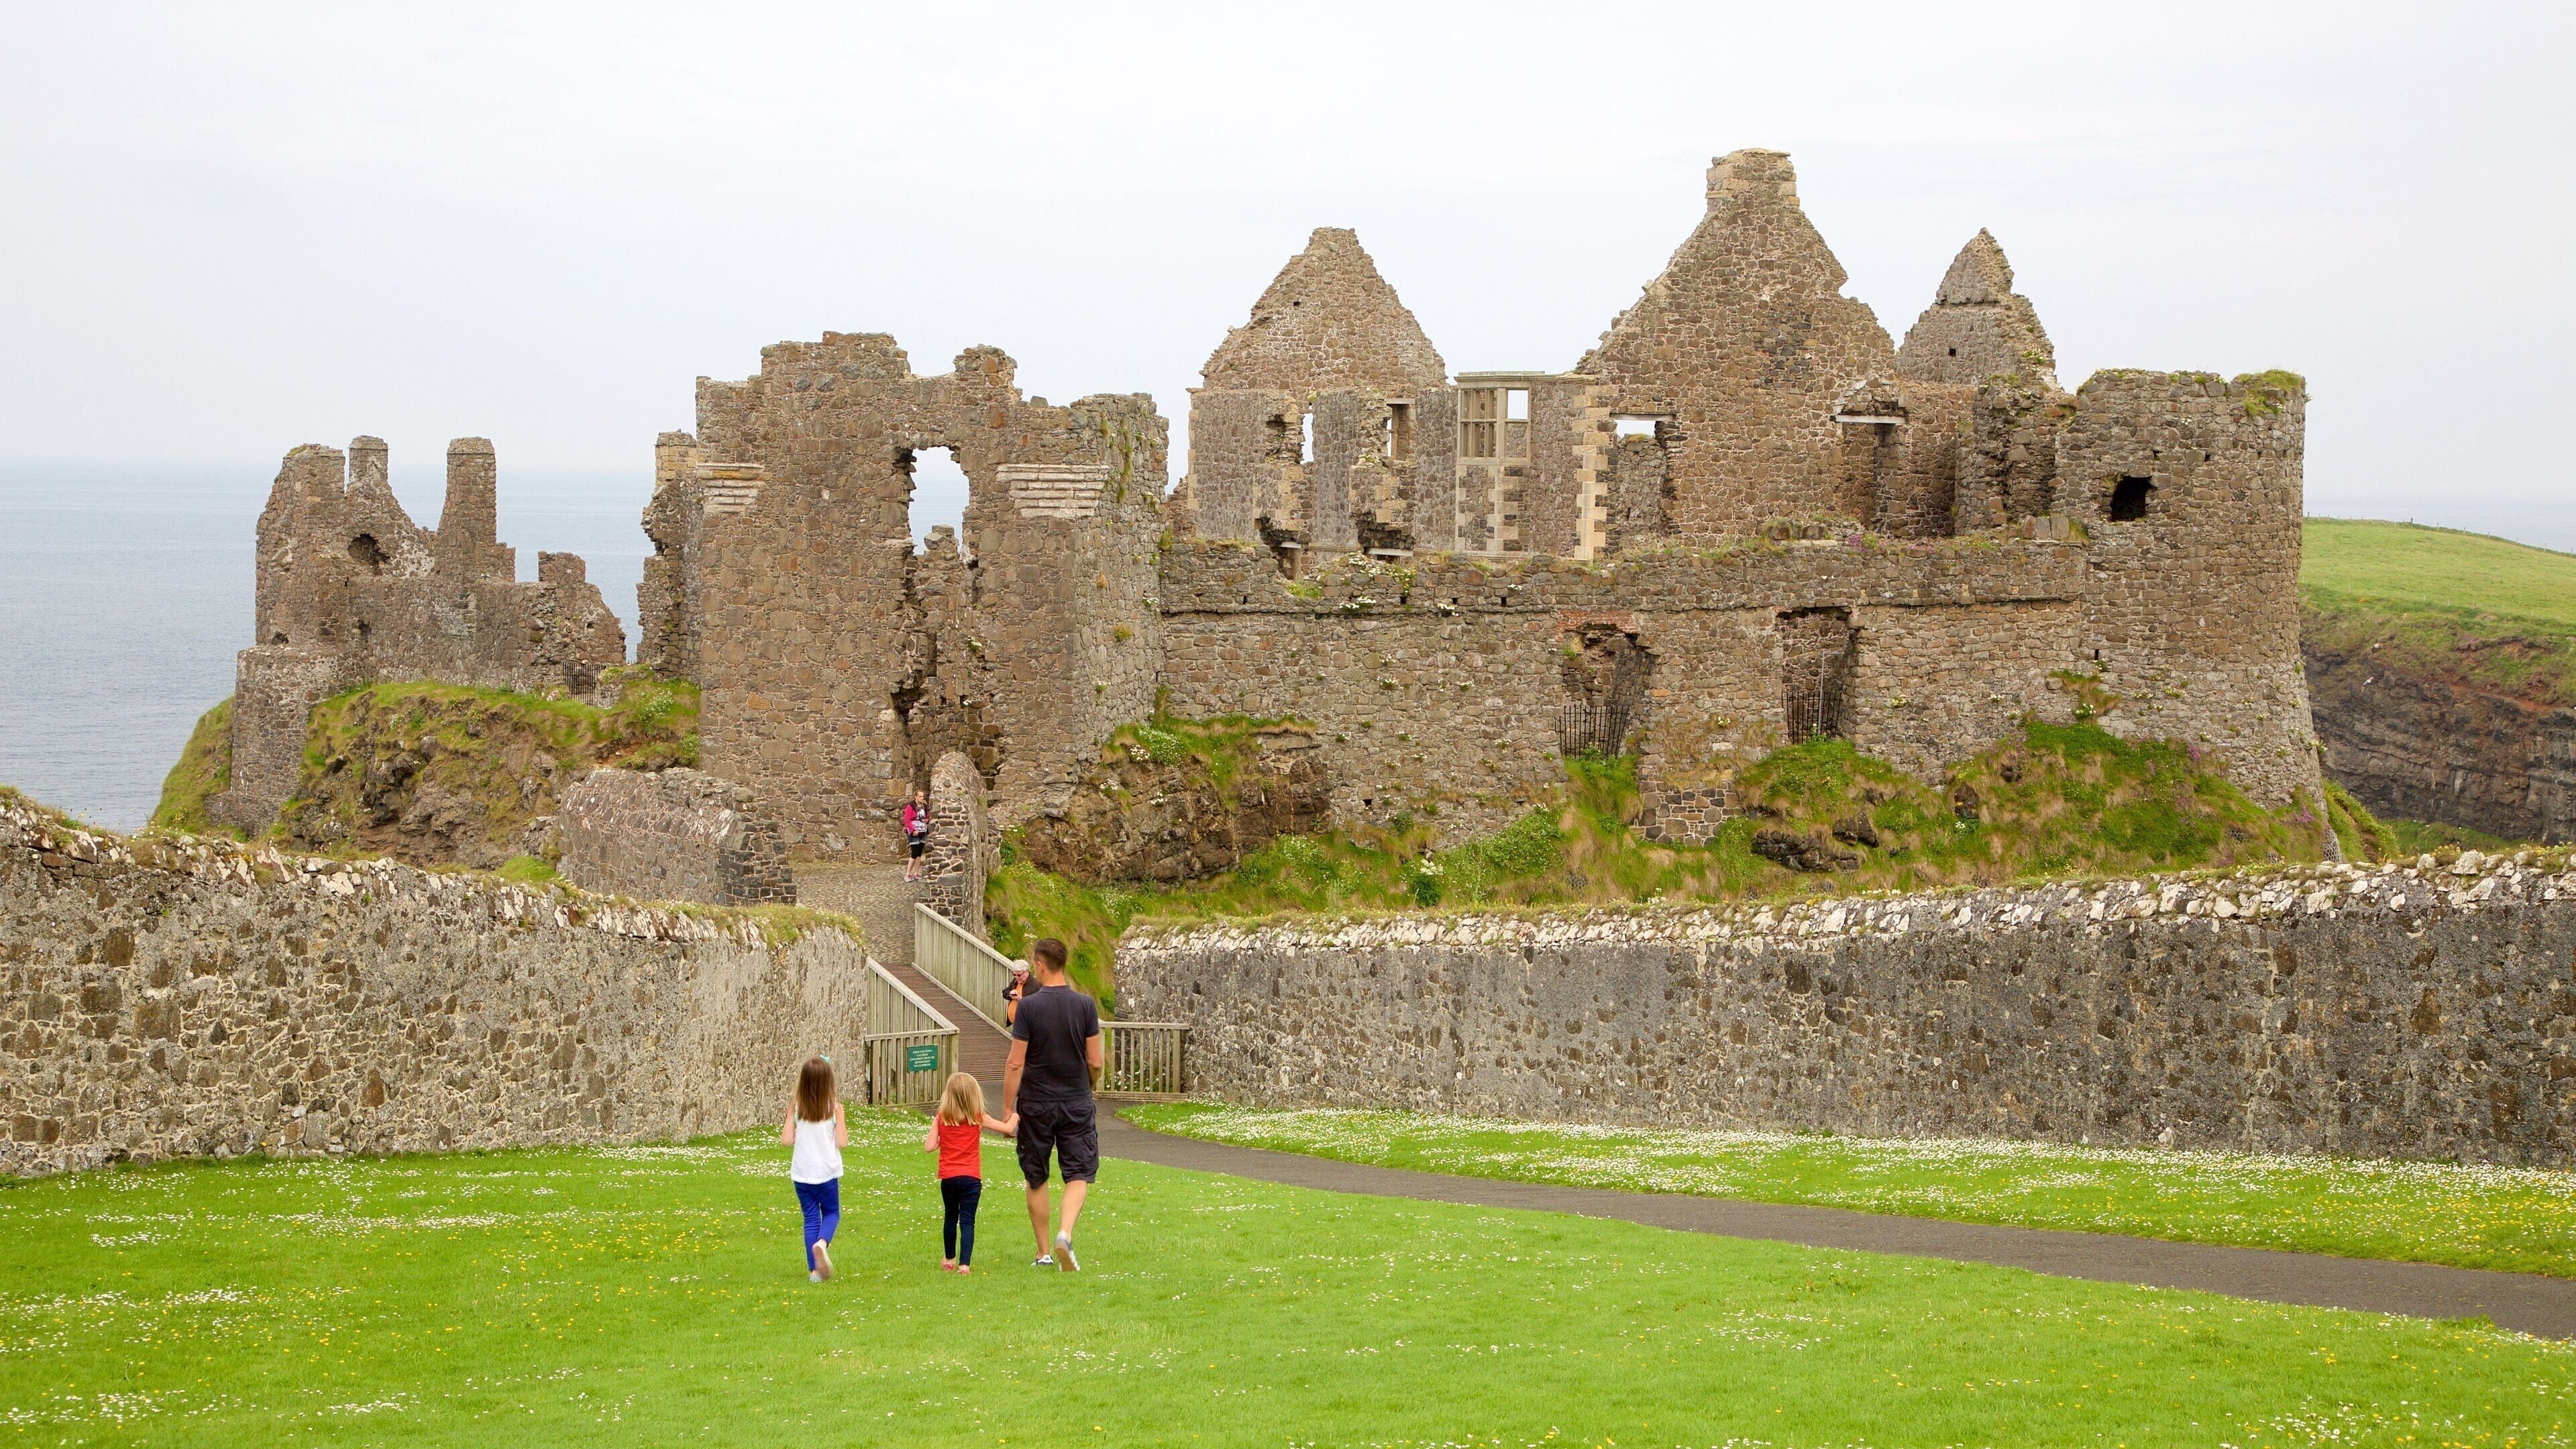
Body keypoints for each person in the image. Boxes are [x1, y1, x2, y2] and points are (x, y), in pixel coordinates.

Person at [1002, 937, 1102, 1272]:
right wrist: (1087, 1087)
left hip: (1036, 1103)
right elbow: (1096, 1062)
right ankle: (1065, 1233)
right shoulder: (1086, 1006)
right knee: (1078, 1172)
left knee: (1036, 1175)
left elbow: (1015, 1064)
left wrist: (1007, 1110)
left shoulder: (1028, 1008)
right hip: (1075, 1100)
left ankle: (1044, 1252)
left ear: (1040, 966)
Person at [920, 1071, 1014, 1274]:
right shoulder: (978, 1117)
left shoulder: (942, 1118)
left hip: (949, 1178)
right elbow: (1008, 1127)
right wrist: (1015, 1115)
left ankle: (949, 1259)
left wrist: (939, 1141)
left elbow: (928, 1147)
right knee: (968, 1221)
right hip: (972, 1178)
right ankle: (965, 1265)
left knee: (950, 1217)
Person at [778, 1056, 847, 1283]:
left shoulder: (798, 1109)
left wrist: (790, 1115)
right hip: (826, 1172)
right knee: (831, 1213)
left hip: (802, 1173)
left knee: (810, 1218)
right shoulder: (833, 1109)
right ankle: (822, 1243)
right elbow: (843, 1142)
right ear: (829, 1081)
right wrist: (841, 1119)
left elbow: (787, 1140)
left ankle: (814, 1272)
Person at [902, 789, 930, 881]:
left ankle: (916, 873)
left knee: (919, 853)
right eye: (920, 796)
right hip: (914, 832)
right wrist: (913, 830)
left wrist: (927, 820)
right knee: (914, 852)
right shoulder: (911, 806)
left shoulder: (925, 807)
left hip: (922, 832)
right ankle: (908, 874)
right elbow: (907, 819)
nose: (922, 798)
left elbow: (927, 817)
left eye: (923, 796)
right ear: (916, 797)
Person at [1002, 960, 1030, 1026]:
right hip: (1016, 1024)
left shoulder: (1035, 985)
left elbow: (1036, 1005)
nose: (1017, 977)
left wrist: (1021, 999)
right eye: (1014, 975)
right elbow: (1005, 992)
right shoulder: (1016, 981)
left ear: (1027, 972)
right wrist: (1010, 994)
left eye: (1019, 975)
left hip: (1026, 1024)